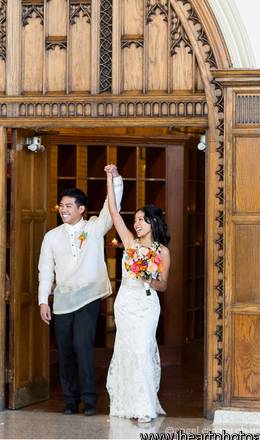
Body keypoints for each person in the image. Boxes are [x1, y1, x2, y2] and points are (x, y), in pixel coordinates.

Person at [38, 165, 123, 415]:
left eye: (69, 206)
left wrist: (115, 179)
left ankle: (90, 399)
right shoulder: (51, 237)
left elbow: (112, 206)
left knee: (82, 346)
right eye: (61, 205)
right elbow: (46, 271)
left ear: (81, 209)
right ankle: (70, 400)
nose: (63, 209)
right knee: (64, 351)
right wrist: (43, 301)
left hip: (88, 297)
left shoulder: (94, 227)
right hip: (63, 300)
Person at [105, 167, 170, 423]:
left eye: (141, 219)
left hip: (146, 305)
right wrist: (111, 179)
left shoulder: (162, 251)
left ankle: (144, 407)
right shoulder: (130, 244)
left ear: (153, 222)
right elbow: (113, 212)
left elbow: (163, 286)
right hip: (125, 304)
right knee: (126, 352)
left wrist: (148, 279)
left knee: (142, 351)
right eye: (135, 220)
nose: (136, 224)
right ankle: (126, 403)